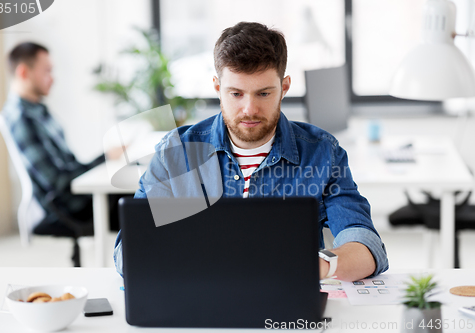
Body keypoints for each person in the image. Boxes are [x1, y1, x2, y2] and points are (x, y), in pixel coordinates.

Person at [114, 22, 388, 281]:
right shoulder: (176, 153)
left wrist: (322, 265)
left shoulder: (322, 154)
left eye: (264, 94)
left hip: (286, 309)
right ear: (218, 88)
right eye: (236, 94)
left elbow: (366, 244)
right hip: (197, 300)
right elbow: (128, 253)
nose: (249, 109)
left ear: (284, 88)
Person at [2, 42, 123, 236]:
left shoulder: (38, 110)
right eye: (47, 71)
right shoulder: (22, 119)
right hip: (73, 206)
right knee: (146, 200)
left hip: (77, 195)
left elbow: (68, 168)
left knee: (149, 191)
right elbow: (57, 181)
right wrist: (106, 157)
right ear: (24, 72)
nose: (52, 78)